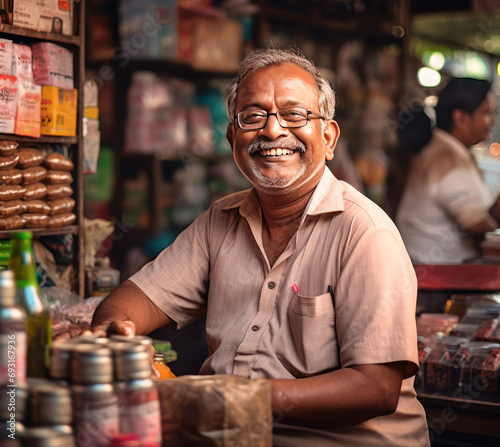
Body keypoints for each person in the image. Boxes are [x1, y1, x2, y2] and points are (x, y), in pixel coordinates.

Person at [89, 48, 430, 446]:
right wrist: (113, 329)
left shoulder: (365, 233)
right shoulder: (220, 219)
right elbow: (137, 297)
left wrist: (239, 397)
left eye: (294, 115)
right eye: (253, 116)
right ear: (233, 137)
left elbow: (377, 389)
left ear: (328, 136)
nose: (272, 131)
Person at [396, 77, 499, 265]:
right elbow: (477, 228)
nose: (493, 120)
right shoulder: (446, 160)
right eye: (486, 112)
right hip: (435, 280)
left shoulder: (452, 152)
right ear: (460, 118)